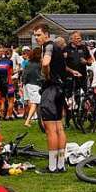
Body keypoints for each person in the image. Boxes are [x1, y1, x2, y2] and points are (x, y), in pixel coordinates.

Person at [33, 24, 68, 173]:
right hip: (60, 89)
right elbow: (62, 66)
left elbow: (46, 63)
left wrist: (45, 73)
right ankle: (61, 165)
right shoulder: (57, 47)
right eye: (35, 35)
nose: (37, 38)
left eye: (39, 35)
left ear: (46, 34)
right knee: (59, 127)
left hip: (50, 90)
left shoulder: (47, 47)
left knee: (50, 130)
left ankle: (52, 166)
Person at [22, 46, 43, 127]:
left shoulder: (28, 63)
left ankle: (30, 119)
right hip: (35, 85)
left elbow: (25, 75)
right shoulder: (38, 65)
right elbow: (40, 76)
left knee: (33, 102)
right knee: (35, 103)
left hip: (28, 84)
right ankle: (28, 121)